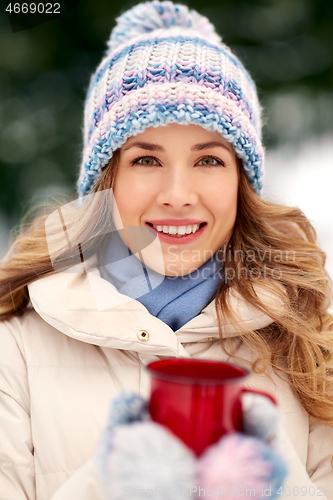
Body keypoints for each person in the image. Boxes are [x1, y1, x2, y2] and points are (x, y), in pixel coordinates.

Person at [1, 1, 333, 498]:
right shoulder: (17, 349)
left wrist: (272, 482)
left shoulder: (309, 340)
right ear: (106, 179)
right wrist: (108, 485)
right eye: (147, 158)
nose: (178, 193)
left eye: (209, 160)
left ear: (241, 181)